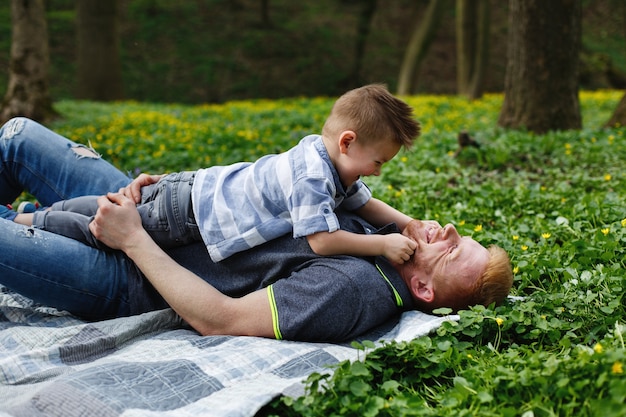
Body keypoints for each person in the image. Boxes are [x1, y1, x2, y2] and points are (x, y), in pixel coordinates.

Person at [0, 117, 513, 342]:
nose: (444, 230)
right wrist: (177, 190)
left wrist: (132, 238)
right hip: (168, 212)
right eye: (457, 233)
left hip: (125, 273)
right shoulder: (394, 244)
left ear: (423, 289)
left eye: (450, 250)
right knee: (18, 137)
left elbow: (220, 320)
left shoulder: (351, 289)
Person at [11, 84, 420, 265]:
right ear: (347, 142)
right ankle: (22, 221)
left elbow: (361, 203)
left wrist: (407, 224)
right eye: (379, 162)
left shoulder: (322, 153)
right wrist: (382, 247)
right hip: (187, 216)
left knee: (108, 203)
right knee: (95, 229)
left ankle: (31, 211)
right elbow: (322, 240)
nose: (377, 172)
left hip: (188, 192)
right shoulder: (312, 178)